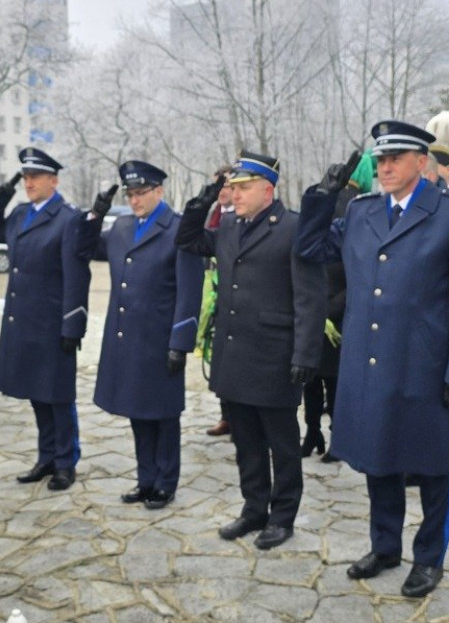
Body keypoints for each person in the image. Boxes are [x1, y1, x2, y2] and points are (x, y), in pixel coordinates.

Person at [296, 120, 449, 598]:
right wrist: (322, 198)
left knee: (432, 467)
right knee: (378, 459)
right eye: (380, 159)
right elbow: (309, 248)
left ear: (421, 162)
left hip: (424, 364)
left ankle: (428, 559)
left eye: (395, 158)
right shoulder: (362, 211)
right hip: (369, 364)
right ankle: (384, 547)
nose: (384, 167)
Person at [176, 150, 327, 551]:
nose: (235, 195)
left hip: (275, 355)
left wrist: (306, 355)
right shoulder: (228, 225)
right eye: (232, 187)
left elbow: (311, 297)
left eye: (242, 188)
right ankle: (253, 508)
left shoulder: (293, 227)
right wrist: (208, 193)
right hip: (234, 351)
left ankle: (282, 517)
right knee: (245, 440)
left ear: (268, 189)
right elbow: (188, 238)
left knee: (281, 442)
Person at [79, 160, 203, 509]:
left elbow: (189, 291)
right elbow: (85, 250)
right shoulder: (121, 227)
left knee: (163, 414)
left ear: (159, 191)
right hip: (127, 337)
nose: (134, 201)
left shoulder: (178, 229)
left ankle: (165, 482)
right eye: (130, 194)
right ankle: (145, 478)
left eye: (140, 193)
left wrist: (181, 342)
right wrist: (94, 216)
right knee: (138, 411)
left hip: (160, 339)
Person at [0, 147, 91, 491]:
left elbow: (77, 275)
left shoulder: (68, 218)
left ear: (53, 181)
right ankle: (46, 458)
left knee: (58, 396)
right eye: (25, 177)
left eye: (35, 177)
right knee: (36, 394)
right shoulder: (20, 214)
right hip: (24, 322)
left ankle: (65, 462)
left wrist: (73, 323)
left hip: (52, 323)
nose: (28, 182)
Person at [303, 153, 373, 462]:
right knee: (329, 378)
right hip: (338, 301)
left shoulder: (342, 202)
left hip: (324, 301)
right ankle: (330, 437)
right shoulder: (362, 205)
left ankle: (313, 432)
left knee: (314, 375)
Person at [199, 165, 236, 438]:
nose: (221, 192)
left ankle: (239, 418)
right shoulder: (214, 214)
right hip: (213, 294)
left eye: (225, 186)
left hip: (234, 294)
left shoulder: (239, 218)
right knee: (218, 358)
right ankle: (225, 415)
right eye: (218, 187)